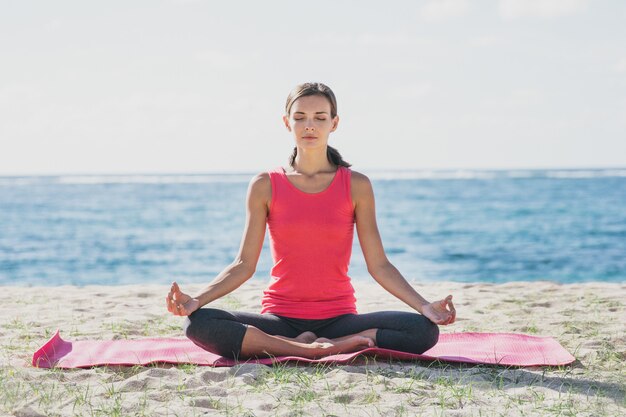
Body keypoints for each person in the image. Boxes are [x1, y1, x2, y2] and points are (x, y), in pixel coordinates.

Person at [165, 82, 456, 360]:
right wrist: (197, 301)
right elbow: (244, 265)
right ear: (286, 122)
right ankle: (315, 349)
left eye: (320, 117)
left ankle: (309, 345)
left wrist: (423, 306)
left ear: (334, 123)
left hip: (340, 320)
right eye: (300, 117)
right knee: (198, 323)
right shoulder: (265, 184)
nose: (310, 125)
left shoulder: (356, 185)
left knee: (422, 331)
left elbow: (378, 265)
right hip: (279, 319)